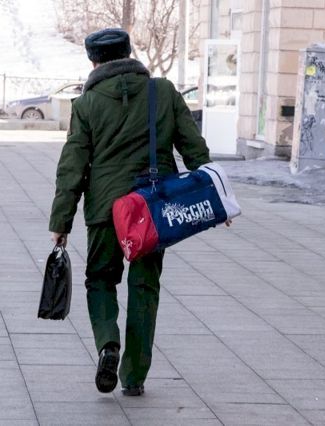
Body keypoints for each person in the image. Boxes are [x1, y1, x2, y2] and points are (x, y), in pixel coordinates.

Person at [48, 28, 211, 396]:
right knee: (144, 286)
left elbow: (72, 167)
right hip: (152, 208)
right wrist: (218, 197)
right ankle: (134, 376)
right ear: (130, 53)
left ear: (94, 62)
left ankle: (108, 343)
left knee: (100, 279)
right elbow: (194, 148)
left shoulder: (86, 104)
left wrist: (61, 222)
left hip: (106, 211)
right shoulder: (162, 92)